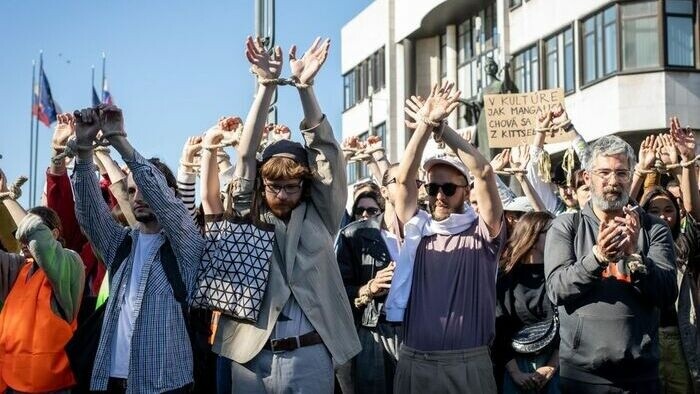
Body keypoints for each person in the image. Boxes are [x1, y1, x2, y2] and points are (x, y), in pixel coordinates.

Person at [201, 36, 360, 392]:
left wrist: (305, 87)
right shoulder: (248, 213)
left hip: (311, 355)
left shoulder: (322, 215)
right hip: (252, 357)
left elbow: (328, 156)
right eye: (274, 186)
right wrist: (266, 87)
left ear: (305, 187)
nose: (282, 194)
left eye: (291, 187)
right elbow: (244, 160)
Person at [72, 104, 204, 393]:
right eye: (131, 191)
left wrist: (118, 140)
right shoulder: (121, 244)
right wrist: (83, 151)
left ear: (169, 193)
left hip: (165, 384)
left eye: (144, 187)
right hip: (110, 380)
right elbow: (89, 212)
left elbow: (162, 199)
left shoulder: (185, 243)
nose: (138, 196)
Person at [386, 81, 504, 393]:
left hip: (469, 366)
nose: (439, 196)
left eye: (449, 188)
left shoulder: (483, 231)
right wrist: (424, 125)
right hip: (414, 362)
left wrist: (443, 131)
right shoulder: (415, 228)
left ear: (466, 191)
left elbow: (485, 173)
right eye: (432, 187)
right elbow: (403, 179)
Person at [544, 135, 678, 393]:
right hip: (582, 376)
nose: (613, 182)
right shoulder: (567, 226)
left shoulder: (653, 228)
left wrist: (635, 258)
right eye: (604, 172)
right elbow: (556, 289)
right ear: (587, 178)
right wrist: (597, 258)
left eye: (621, 173)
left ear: (630, 177)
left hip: (641, 374)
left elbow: (667, 293)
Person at [0, 169, 85, 392]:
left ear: (55, 234)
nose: (23, 242)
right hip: (10, 383)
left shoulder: (70, 263)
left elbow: (37, 237)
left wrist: (8, 198)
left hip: (52, 387)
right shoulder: (17, 268)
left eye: (27, 236)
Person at [638, 118, 700, 393]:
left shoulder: (685, 244)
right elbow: (625, 211)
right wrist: (641, 171)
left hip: (679, 337)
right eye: (654, 211)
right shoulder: (635, 244)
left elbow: (694, 212)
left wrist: (684, 164)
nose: (662, 216)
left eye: (668, 210)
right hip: (642, 338)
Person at [495, 211, 559, 393]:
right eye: (551, 232)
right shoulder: (505, 277)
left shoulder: (559, 274)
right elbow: (499, 328)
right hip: (515, 365)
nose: (558, 237)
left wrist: (551, 367)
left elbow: (570, 326)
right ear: (532, 236)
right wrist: (515, 373)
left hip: (555, 365)